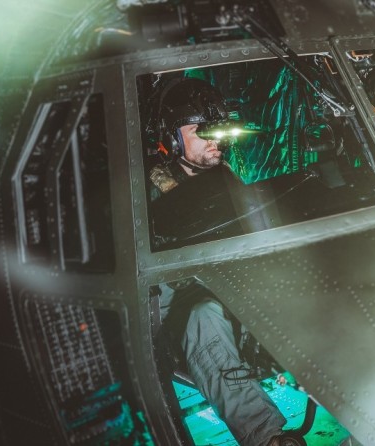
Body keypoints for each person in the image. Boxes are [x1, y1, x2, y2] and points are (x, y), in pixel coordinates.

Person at [146, 77, 290, 446]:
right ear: (172, 137)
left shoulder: (226, 177)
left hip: (236, 290)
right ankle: (266, 437)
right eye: (200, 130)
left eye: (218, 129)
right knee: (205, 314)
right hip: (186, 315)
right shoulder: (145, 193)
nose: (215, 139)